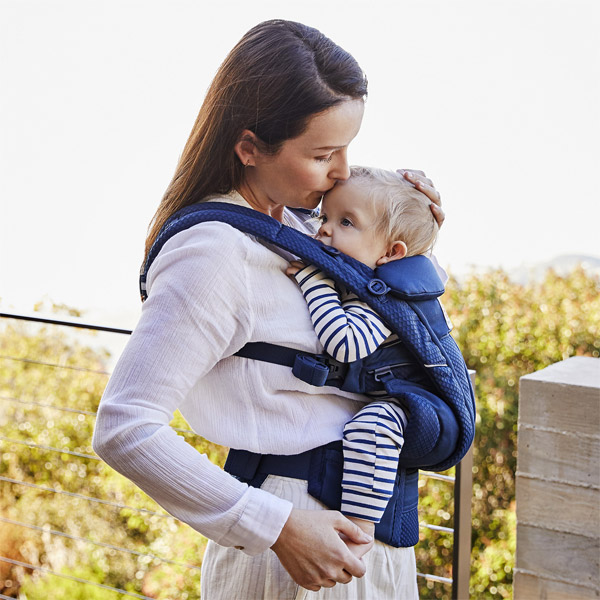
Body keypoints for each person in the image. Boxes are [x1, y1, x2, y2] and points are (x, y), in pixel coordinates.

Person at [92, 19, 443, 599]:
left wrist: (412, 222)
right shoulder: (212, 253)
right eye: (325, 153)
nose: (344, 171)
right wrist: (276, 528)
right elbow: (125, 427)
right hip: (294, 544)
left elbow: (390, 303)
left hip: (365, 527)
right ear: (250, 147)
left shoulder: (305, 224)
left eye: (347, 148)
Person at [286, 166, 442, 543]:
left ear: (391, 252)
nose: (323, 228)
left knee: (370, 428)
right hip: (393, 393)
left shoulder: (387, 296)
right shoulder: (367, 279)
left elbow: (346, 342)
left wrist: (313, 280)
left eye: (346, 222)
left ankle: (360, 529)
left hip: (411, 402)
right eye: (324, 216)